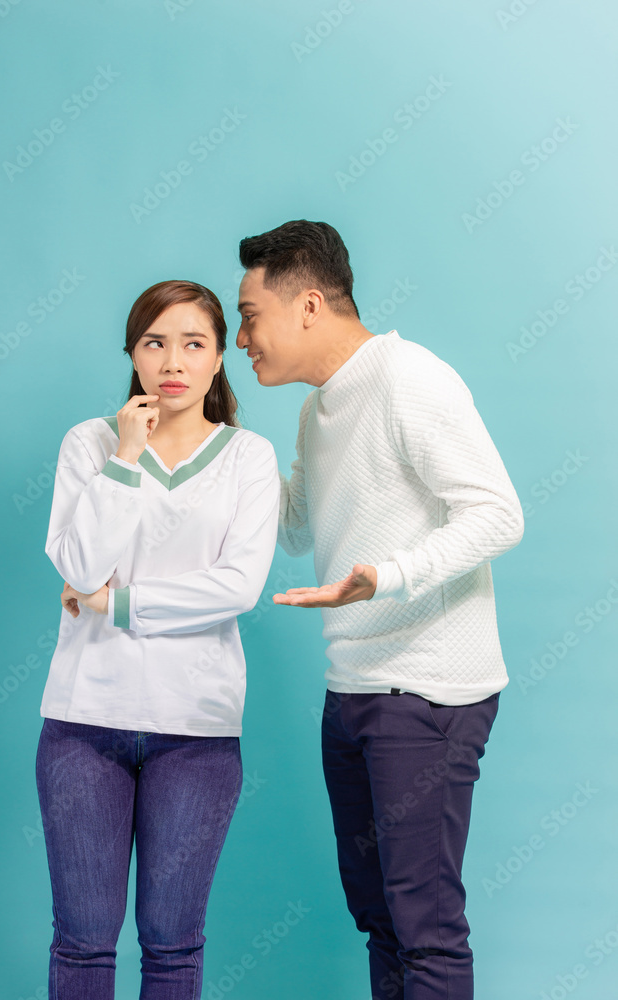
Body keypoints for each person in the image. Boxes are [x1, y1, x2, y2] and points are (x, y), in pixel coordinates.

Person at [235, 220, 524, 1000]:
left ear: (307, 305)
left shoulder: (408, 379)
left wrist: (386, 576)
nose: (239, 339)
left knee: (423, 927)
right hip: (353, 688)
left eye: (249, 315)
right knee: (381, 921)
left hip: (423, 692)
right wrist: (221, 445)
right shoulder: (317, 410)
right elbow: (297, 528)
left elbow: (498, 513)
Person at [35, 279, 280, 1000]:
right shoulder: (89, 443)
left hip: (195, 731)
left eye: (192, 343)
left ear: (217, 360)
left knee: (173, 948)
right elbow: (77, 564)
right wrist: (126, 457)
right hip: (84, 724)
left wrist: (113, 605)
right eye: (154, 342)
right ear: (133, 354)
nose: (172, 359)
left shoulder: (248, 458)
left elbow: (235, 588)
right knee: (81, 945)